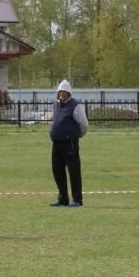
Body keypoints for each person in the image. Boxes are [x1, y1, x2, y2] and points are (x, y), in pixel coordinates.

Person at [49, 79, 88, 207]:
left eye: (64, 92)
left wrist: (76, 135)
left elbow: (83, 124)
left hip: (70, 143)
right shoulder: (55, 104)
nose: (62, 94)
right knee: (57, 170)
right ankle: (62, 198)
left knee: (73, 171)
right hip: (57, 143)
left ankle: (77, 199)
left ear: (69, 93)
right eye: (60, 92)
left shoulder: (75, 105)